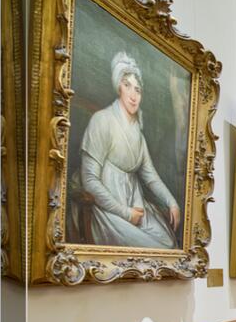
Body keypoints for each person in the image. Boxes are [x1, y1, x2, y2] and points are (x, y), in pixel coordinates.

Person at [77, 51, 181, 249]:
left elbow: (151, 177)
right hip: (107, 210)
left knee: (168, 244)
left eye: (138, 90)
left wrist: (172, 202)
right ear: (119, 87)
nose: (133, 95)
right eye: (127, 86)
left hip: (136, 207)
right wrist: (125, 212)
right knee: (155, 249)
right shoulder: (102, 120)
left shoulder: (138, 136)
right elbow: (89, 180)